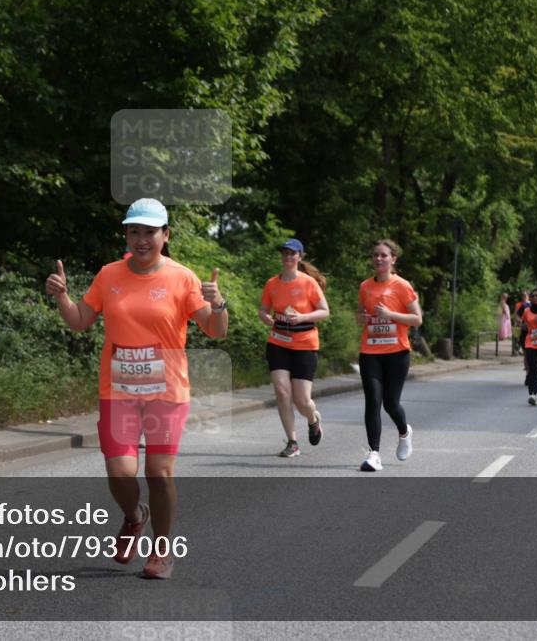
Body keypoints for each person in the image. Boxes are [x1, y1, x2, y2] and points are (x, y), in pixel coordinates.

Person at [45, 198, 228, 580]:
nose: (141, 239)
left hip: (166, 391)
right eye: (134, 231)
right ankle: (134, 516)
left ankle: (162, 551)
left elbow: (215, 330)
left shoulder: (183, 278)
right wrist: (62, 296)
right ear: (126, 234)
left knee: (159, 473)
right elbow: (81, 320)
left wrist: (219, 304)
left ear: (165, 235)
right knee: (121, 473)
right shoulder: (109, 274)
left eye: (149, 232)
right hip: (119, 391)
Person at [259, 238, 330, 458]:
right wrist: (267, 319)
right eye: (285, 254)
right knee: (282, 392)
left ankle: (313, 419)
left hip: (305, 344)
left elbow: (324, 311)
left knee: (302, 400)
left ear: (300, 257)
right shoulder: (272, 283)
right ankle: (292, 442)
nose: (288, 257)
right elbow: (262, 310)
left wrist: (302, 317)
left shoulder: (308, 283)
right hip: (278, 342)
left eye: (293, 254)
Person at [355, 239, 422, 472]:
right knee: (373, 400)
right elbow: (360, 316)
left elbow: (417, 319)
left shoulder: (402, 286)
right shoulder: (365, 286)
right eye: (375, 255)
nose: (379, 259)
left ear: (393, 259)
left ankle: (405, 432)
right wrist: (361, 319)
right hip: (370, 351)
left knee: (391, 404)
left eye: (384, 255)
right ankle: (374, 454)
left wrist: (391, 314)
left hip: (397, 352)